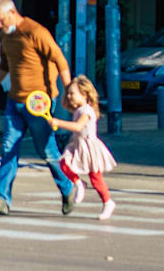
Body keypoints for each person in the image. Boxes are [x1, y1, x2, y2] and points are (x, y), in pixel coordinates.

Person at [0, 0, 78, 216]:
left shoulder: (35, 32)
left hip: (38, 102)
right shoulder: (4, 37)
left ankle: (67, 187)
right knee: (8, 148)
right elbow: (4, 65)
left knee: (47, 151)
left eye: (0, 20)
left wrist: (69, 91)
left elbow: (60, 59)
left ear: (12, 12)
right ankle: (2, 199)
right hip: (15, 101)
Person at [42, 75, 118, 220]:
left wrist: (58, 122)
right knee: (63, 164)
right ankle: (79, 183)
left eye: (72, 93)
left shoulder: (86, 111)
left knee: (96, 178)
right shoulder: (79, 110)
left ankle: (108, 202)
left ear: (84, 94)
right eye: (68, 93)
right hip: (77, 144)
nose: (69, 96)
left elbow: (78, 127)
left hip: (89, 147)